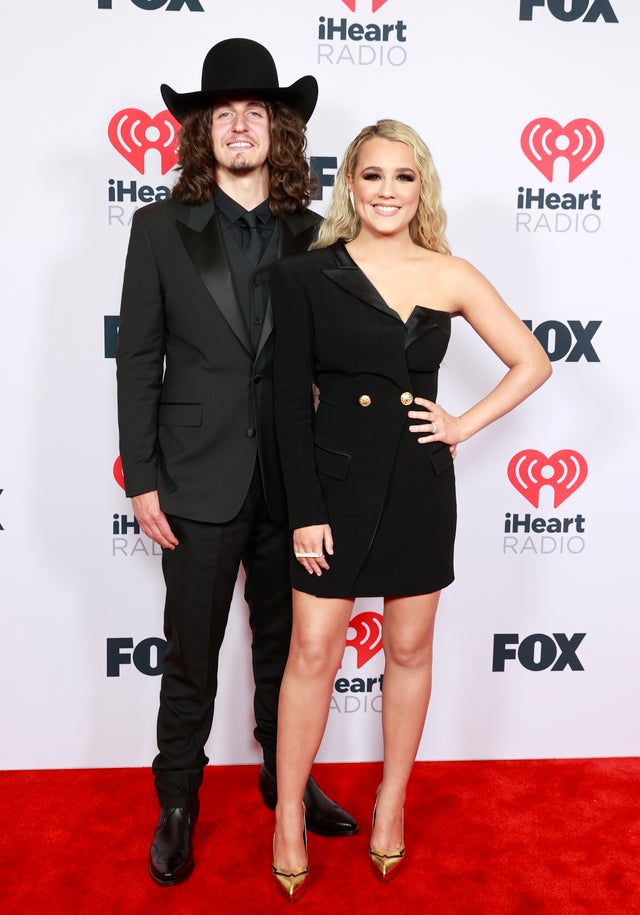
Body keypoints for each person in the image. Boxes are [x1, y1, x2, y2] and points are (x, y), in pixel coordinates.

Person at [269, 119, 552, 900]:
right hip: (332, 486)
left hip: (418, 485)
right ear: (349, 186)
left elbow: (533, 359)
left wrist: (461, 422)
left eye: (403, 176)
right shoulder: (305, 275)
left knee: (410, 649)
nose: (387, 191)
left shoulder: (450, 272)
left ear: (420, 187)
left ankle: (391, 801)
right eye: (372, 175)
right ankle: (289, 812)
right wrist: (304, 508)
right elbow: (291, 404)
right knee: (312, 652)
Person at [115, 38, 357, 888]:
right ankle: (177, 803)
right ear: (202, 132)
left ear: (278, 130)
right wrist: (142, 476)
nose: (242, 127)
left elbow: (331, 351)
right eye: (225, 115)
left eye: (257, 113)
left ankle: (283, 780)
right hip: (196, 478)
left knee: (286, 649)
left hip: (294, 483)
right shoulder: (158, 228)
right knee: (190, 654)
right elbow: (139, 358)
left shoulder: (314, 232)